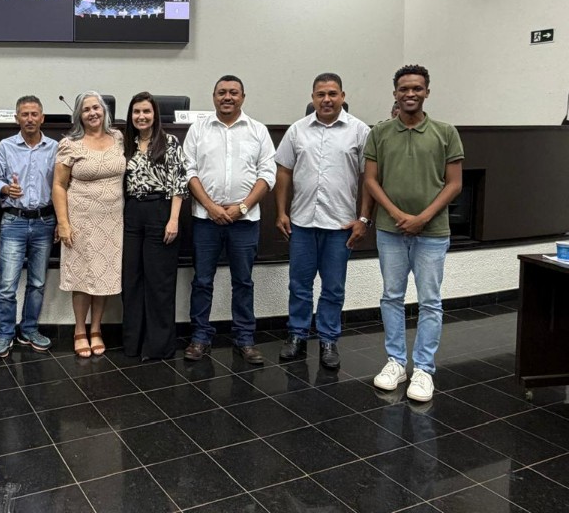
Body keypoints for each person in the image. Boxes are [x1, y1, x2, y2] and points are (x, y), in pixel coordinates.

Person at [365, 64, 464, 403]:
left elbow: (454, 184)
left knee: (430, 301)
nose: (410, 94)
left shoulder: (446, 132)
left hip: (432, 232)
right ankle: (396, 362)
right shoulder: (379, 133)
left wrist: (422, 217)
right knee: (391, 296)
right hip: (390, 231)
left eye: (417, 88)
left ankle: (423, 369)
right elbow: (371, 181)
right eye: (404, 88)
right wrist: (397, 215)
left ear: (427, 92)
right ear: (395, 93)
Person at [274, 73, 372, 369]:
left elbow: (370, 178)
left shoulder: (359, 131)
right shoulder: (297, 130)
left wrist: (364, 218)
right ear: (313, 98)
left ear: (342, 96)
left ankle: (329, 339)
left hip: (340, 226)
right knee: (299, 285)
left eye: (332, 94)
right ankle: (297, 335)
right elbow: (283, 172)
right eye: (320, 94)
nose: (326, 99)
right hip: (302, 223)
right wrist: (281, 212)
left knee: (333, 287)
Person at [182, 75, 276, 363]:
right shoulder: (198, 129)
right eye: (222, 92)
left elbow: (267, 174)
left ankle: (245, 339)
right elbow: (189, 171)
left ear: (242, 97)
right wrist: (210, 206)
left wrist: (242, 207)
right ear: (213, 97)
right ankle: (200, 337)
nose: (227, 97)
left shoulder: (258, 130)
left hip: (245, 221)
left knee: (243, 281)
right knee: (202, 281)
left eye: (233, 92)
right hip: (205, 219)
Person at [52, 90, 126, 358]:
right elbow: (59, 186)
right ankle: (79, 330)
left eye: (97, 107)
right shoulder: (70, 144)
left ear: (104, 111)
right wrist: (63, 223)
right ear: (79, 116)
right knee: (83, 277)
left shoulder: (119, 138)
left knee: (103, 276)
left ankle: (96, 329)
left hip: (112, 222)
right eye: (86, 109)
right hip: (81, 222)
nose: (93, 113)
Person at [0, 95, 58, 357]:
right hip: (13, 222)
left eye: (34, 114)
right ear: (17, 118)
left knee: (38, 282)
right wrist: (6, 189)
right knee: (8, 284)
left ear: (42, 118)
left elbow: (61, 186)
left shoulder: (55, 148)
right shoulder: (5, 146)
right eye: (24, 114)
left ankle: (29, 329)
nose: (29, 119)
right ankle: (5, 334)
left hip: (44, 221)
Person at [121, 93, 188, 360]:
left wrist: (173, 220)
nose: (141, 116)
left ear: (155, 114)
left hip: (161, 212)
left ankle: (158, 346)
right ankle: (133, 344)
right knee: (132, 280)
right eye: (136, 112)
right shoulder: (125, 144)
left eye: (146, 111)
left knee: (159, 282)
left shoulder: (169, 142)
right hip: (132, 213)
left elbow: (179, 183)